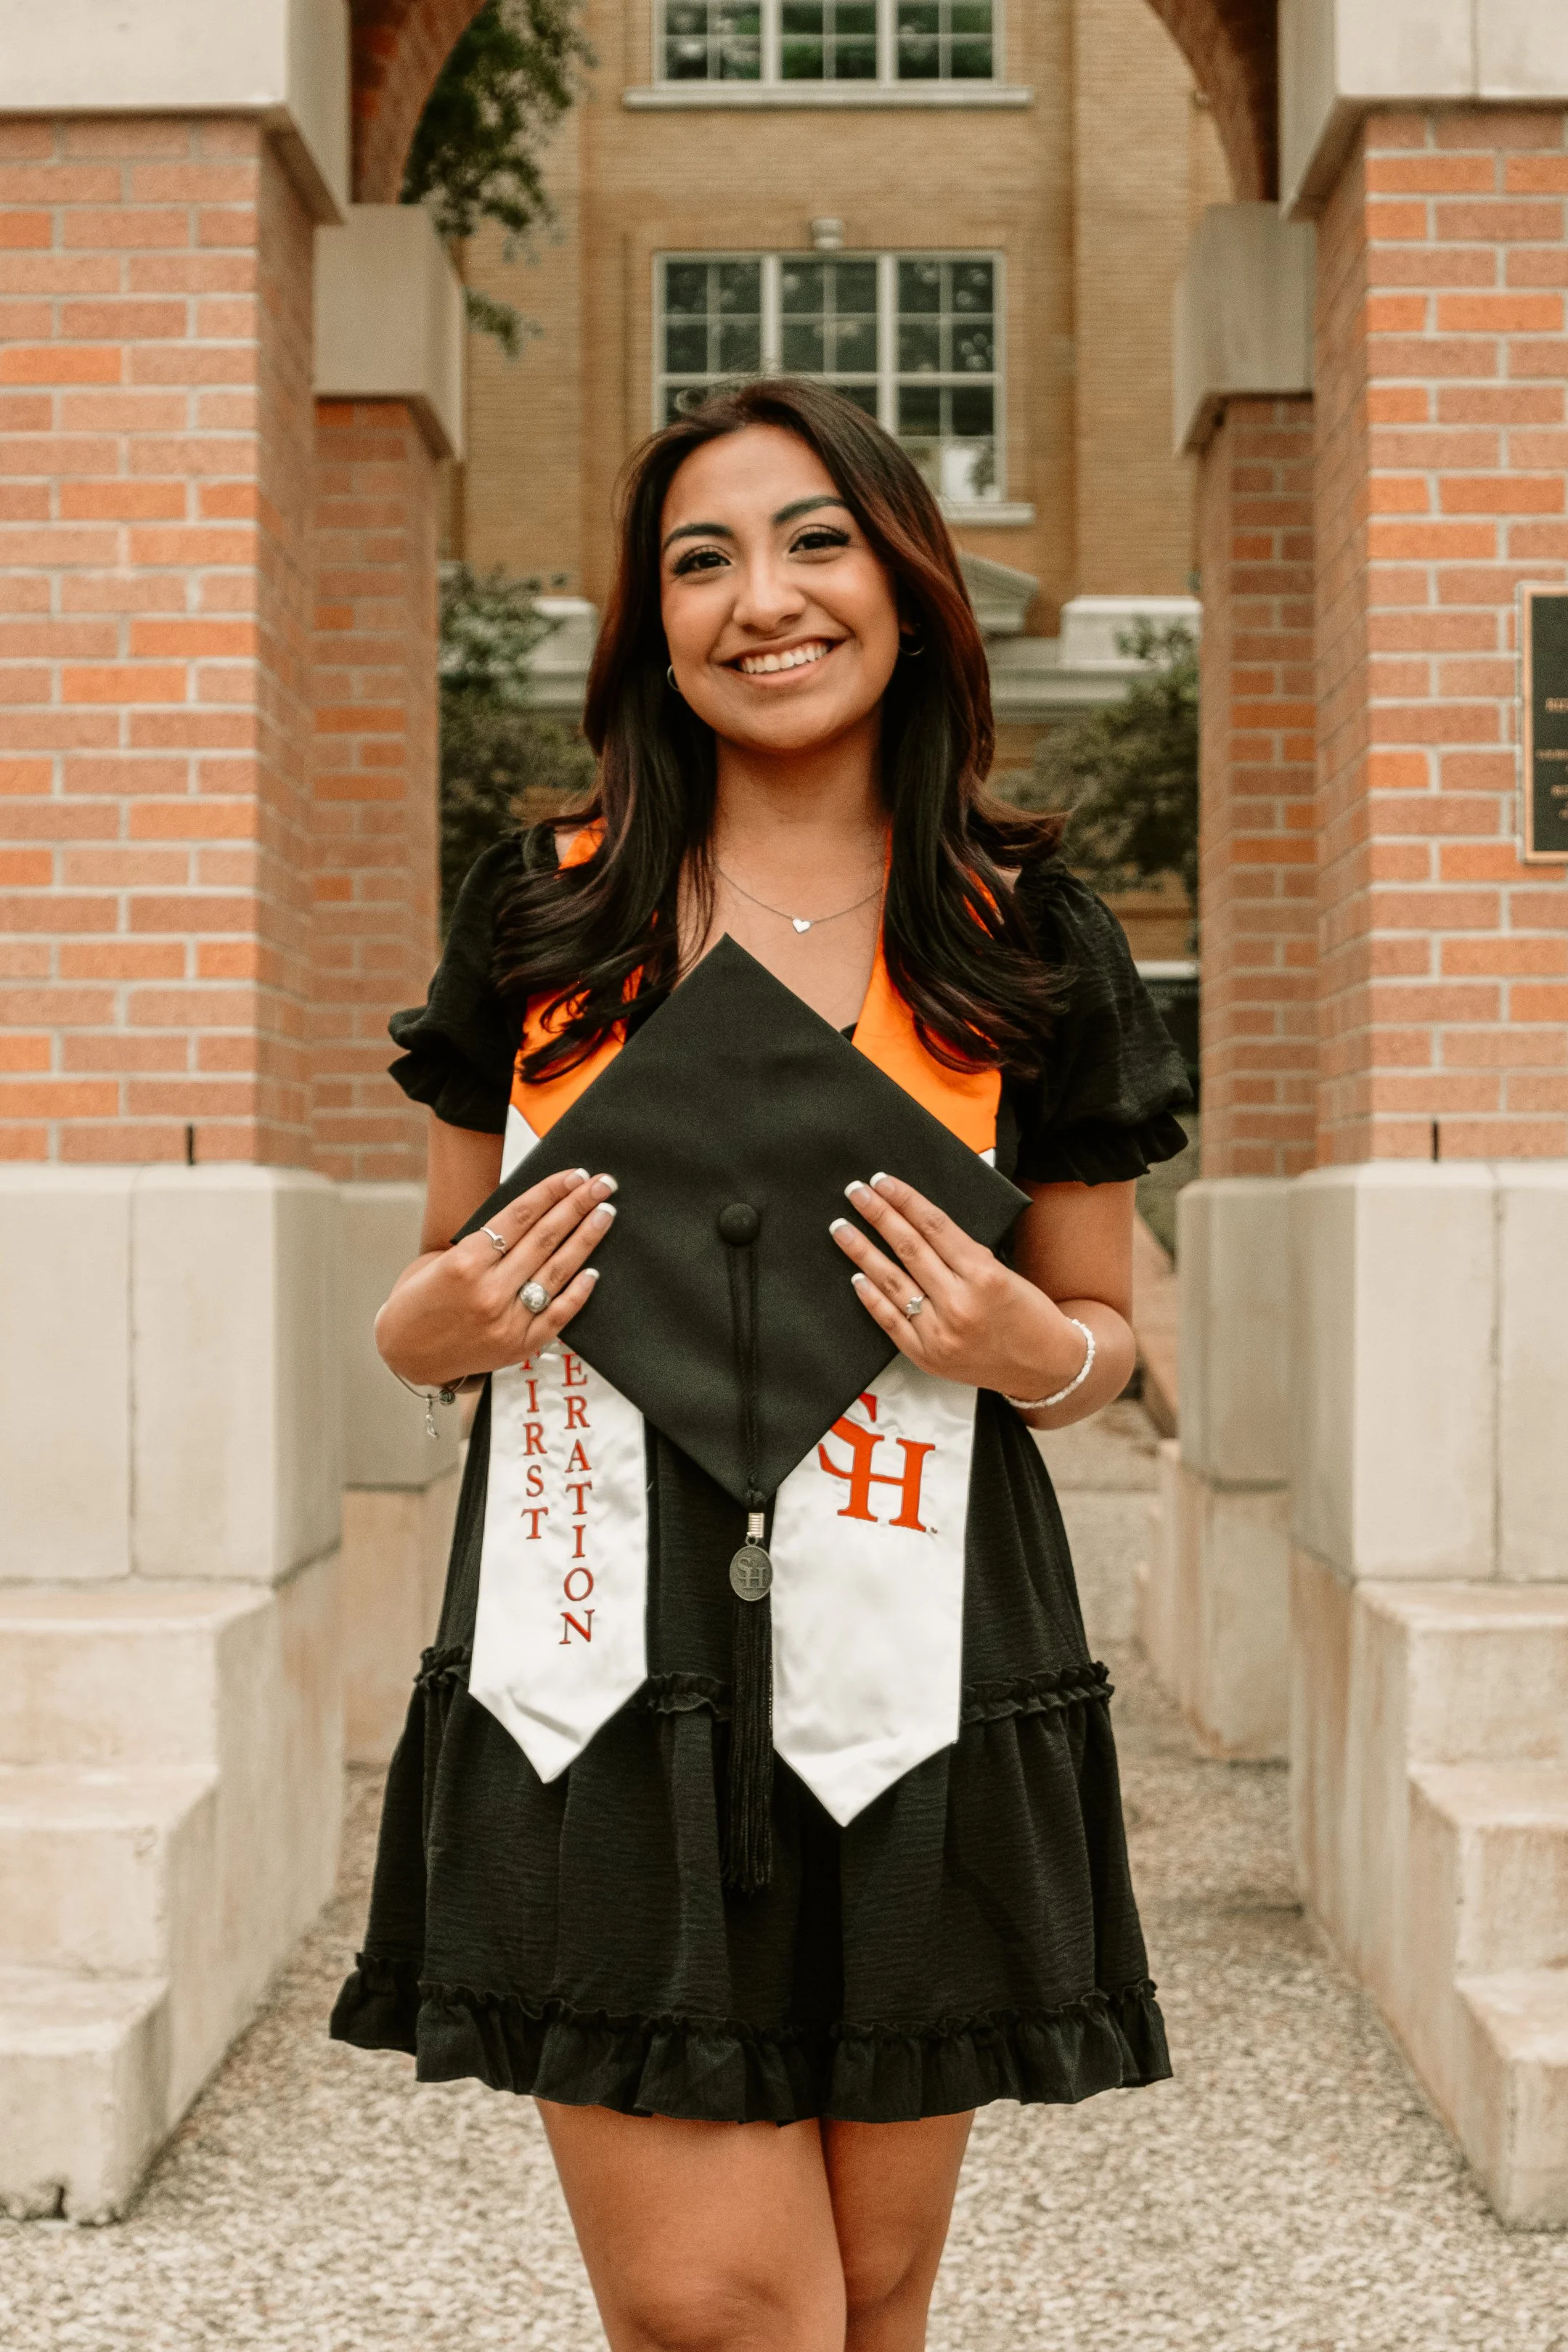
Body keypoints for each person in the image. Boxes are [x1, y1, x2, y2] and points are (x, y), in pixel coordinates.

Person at [332, 377, 1191, 2352]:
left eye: (814, 540)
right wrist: (434, 1327)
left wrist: (1024, 1343)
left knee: (871, 2304)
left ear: (905, 584)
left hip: (920, 1655)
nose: (762, 597)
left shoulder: (1014, 929)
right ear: (651, 625)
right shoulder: (553, 911)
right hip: (603, 1662)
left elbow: (1109, 1346)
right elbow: (432, 1297)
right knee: (731, 2312)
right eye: (699, 559)